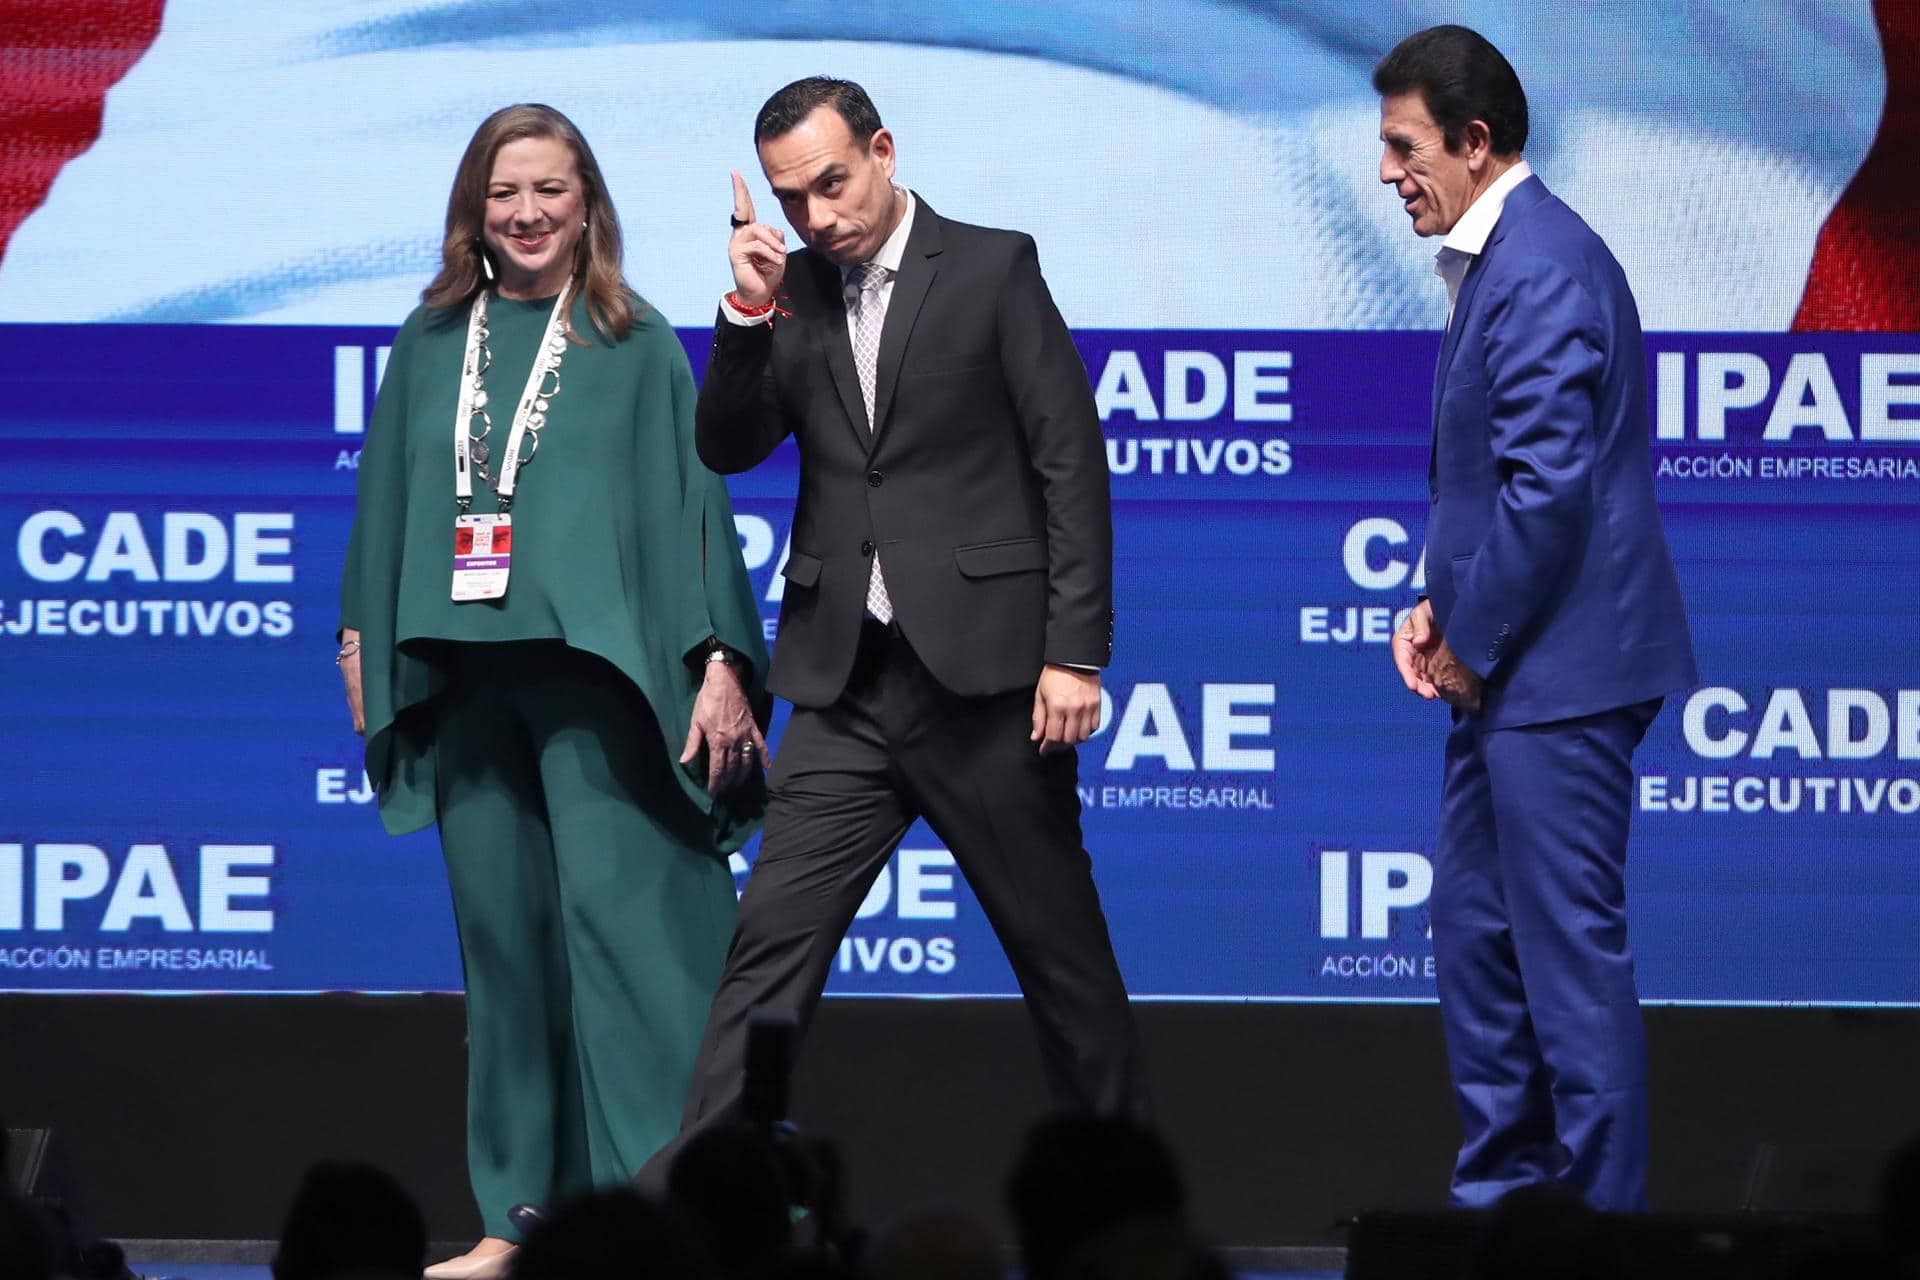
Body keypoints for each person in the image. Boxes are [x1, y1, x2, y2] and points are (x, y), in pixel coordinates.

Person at [635, 75, 1147, 1183]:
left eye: (831, 182)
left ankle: (1123, 1206)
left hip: (989, 686)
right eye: (793, 196)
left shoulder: (995, 265)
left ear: (883, 149)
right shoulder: (796, 291)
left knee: (1065, 967)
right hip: (843, 685)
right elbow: (727, 446)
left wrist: (1076, 650)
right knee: (766, 957)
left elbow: (1070, 459)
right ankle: (689, 1206)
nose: (819, 216)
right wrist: (747, 312)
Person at [337, 103, 769, 1278]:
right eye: (503, 193)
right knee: (508, 951)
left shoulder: (638, 341)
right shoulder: (431, 340)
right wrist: (359, 636)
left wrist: (722, 659)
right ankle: (515, 1218)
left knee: (638, 943)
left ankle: (671, 1209)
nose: (526, 214)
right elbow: (386, 500)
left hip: (607, 685)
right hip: (465, 676)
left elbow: (696, 522)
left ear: (589, 207)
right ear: (474, 211)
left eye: (549, 191)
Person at [1375, 26, 1697, 1212]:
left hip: (1562, 669)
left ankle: (1597, 1226)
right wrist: (1434, 599)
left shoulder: (1546, 263)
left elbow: (1549, 487)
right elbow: (1492, 479)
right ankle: (1503, 1205)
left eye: (1404, 147)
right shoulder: (1508, 256)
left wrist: (1471, 636)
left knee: (1563, 960)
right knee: (1473, 930)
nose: (1387, 171)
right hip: (1514, 667)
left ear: (1472, 141)